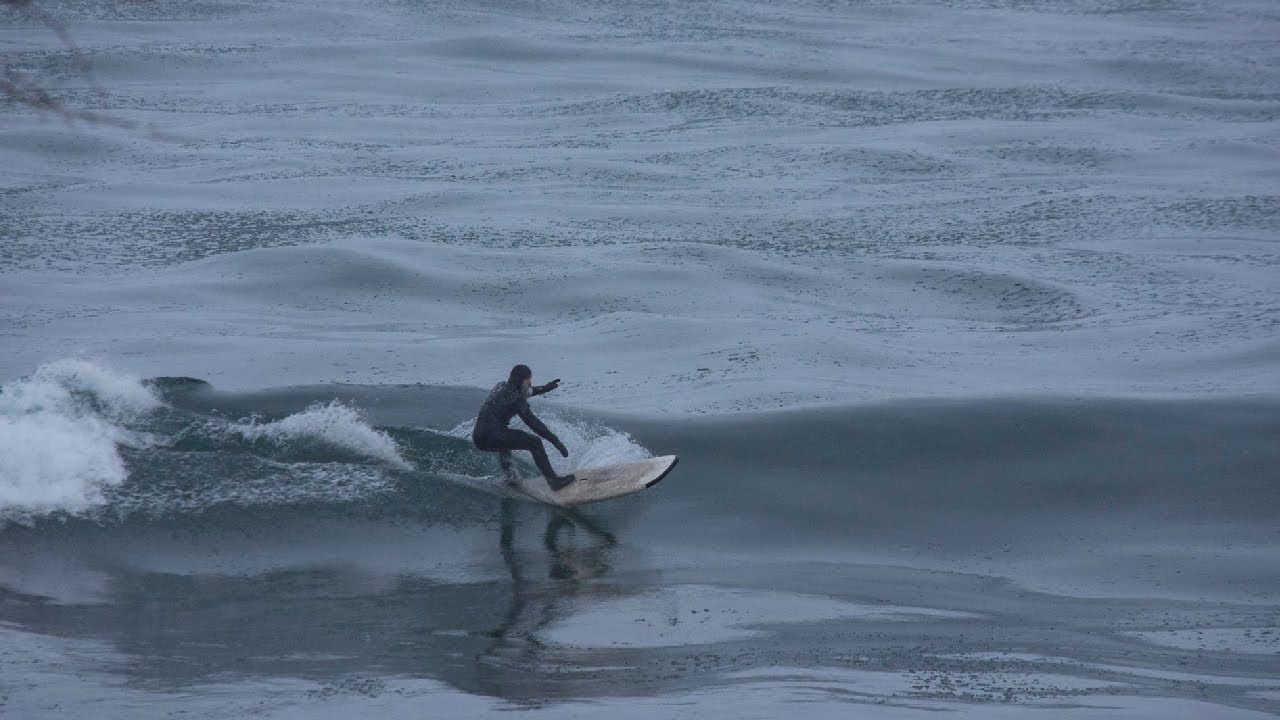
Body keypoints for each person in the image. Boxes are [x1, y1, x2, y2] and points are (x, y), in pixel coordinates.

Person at [472, 364, 576, 491]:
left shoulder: (501, 386)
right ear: (523, 380)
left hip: (478, 437)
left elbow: (524, 391)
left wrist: (545, 388)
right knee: (535, 442)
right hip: (493, 435)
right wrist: (555, 441)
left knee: (504, 444)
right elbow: (533, 423)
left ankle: (510, 478)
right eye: (528, 379)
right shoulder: (517, 398)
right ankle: (554, 481)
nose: (530, 382)